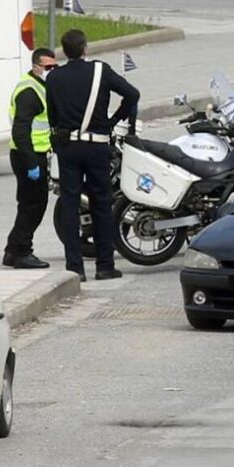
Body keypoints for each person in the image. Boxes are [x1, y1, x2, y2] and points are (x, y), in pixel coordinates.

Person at [46, 29, 140, 282]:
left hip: (68, 147)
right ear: (85, 48)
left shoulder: (54, 77)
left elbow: (52, 115)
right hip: (97, 145)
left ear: (64, 52)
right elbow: (133, 95)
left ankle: (74, 268)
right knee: (101, 204)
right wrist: (112, 121)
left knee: (69, 204)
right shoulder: (101, 70)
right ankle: (104, 266)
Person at [3, 47, 57, 269]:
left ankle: (13, 250)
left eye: (54, 66)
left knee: (29, 204)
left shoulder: (39, 85)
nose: (51, 70)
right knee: (33, 205)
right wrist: (32, 163)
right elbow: (20, 130)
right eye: (48, 67)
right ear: (36, 66)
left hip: (34, 153)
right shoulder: (29, 92)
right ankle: (23, 252)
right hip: (28, 155)